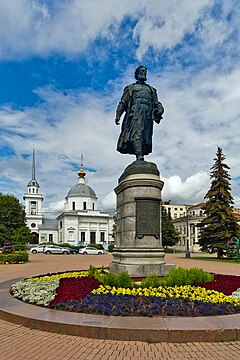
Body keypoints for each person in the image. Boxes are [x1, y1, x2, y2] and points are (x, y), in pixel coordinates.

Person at [115, 66, 164, 160]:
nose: (144, 73)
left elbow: (156, 103)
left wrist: (160, 109)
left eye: (145, 71)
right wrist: (118, 115)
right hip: (135, 113)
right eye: (142, 71)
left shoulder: (151, 90)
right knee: (137, 133)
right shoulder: (131, 87)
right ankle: (139, 156)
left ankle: (141, 154)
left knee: (145, 136)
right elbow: (123, 102)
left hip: (147, 115)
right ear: (137, 74)